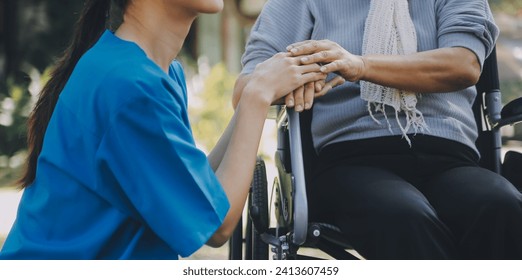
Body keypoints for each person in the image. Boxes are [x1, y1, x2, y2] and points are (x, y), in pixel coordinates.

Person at [0, 0, 327, 260]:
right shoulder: (130, 87)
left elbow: (197, 192)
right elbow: (217, 227)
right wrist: (257, 97)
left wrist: (259, 88)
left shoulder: (154, 72)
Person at [233, 0, 522, 259]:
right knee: (402, 215)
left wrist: (359, 65)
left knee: (502, 205)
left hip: (450, 157)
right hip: (351, 159)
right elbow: (247, 88)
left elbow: (465, 64)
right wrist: (294, 76)